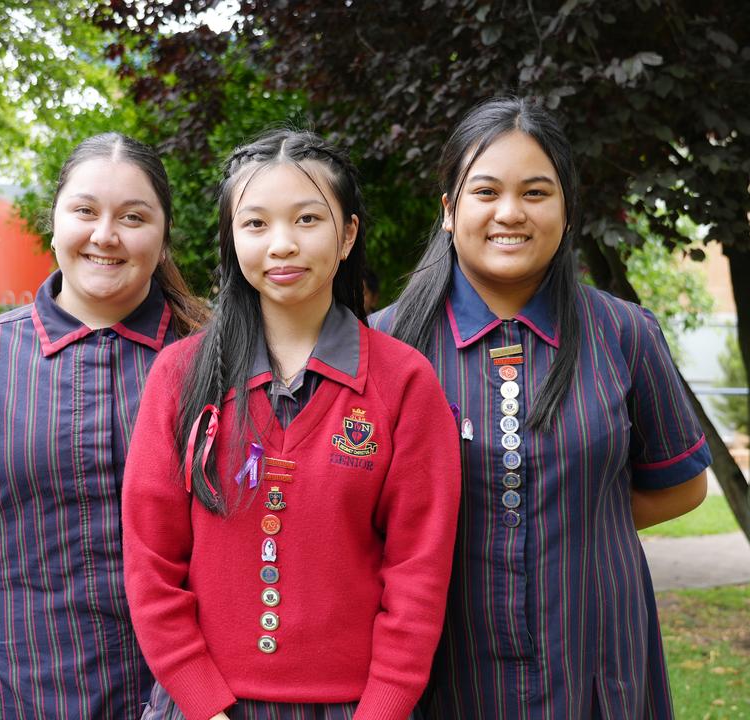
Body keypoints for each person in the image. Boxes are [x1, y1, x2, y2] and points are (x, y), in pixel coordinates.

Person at [371, 97, 711, 719]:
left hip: (594, 658)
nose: (510, 213)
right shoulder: (383, 347)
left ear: (564, 209)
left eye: (535, 192)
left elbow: (683, 487)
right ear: (449, 211)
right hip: (439, 666)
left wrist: (576, 521)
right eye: (485, 192)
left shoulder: (625, 333)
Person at [122, 129, 461, 720]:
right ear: (232, 236)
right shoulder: (180, 376)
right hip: (201, 708)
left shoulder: (403, 382)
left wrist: (383, 709)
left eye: (307, 219)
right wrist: (200, 700)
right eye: (255, 224)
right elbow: (152, 563)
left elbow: (417, 574)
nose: (281, 245)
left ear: (348, 234)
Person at [0, 133, 208, 719]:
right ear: (53, 224)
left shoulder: (213, 363)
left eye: (133, 217)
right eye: (84, 211)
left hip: (165, 689)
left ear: (162, 237)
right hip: (3, 682)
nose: (105, 235)